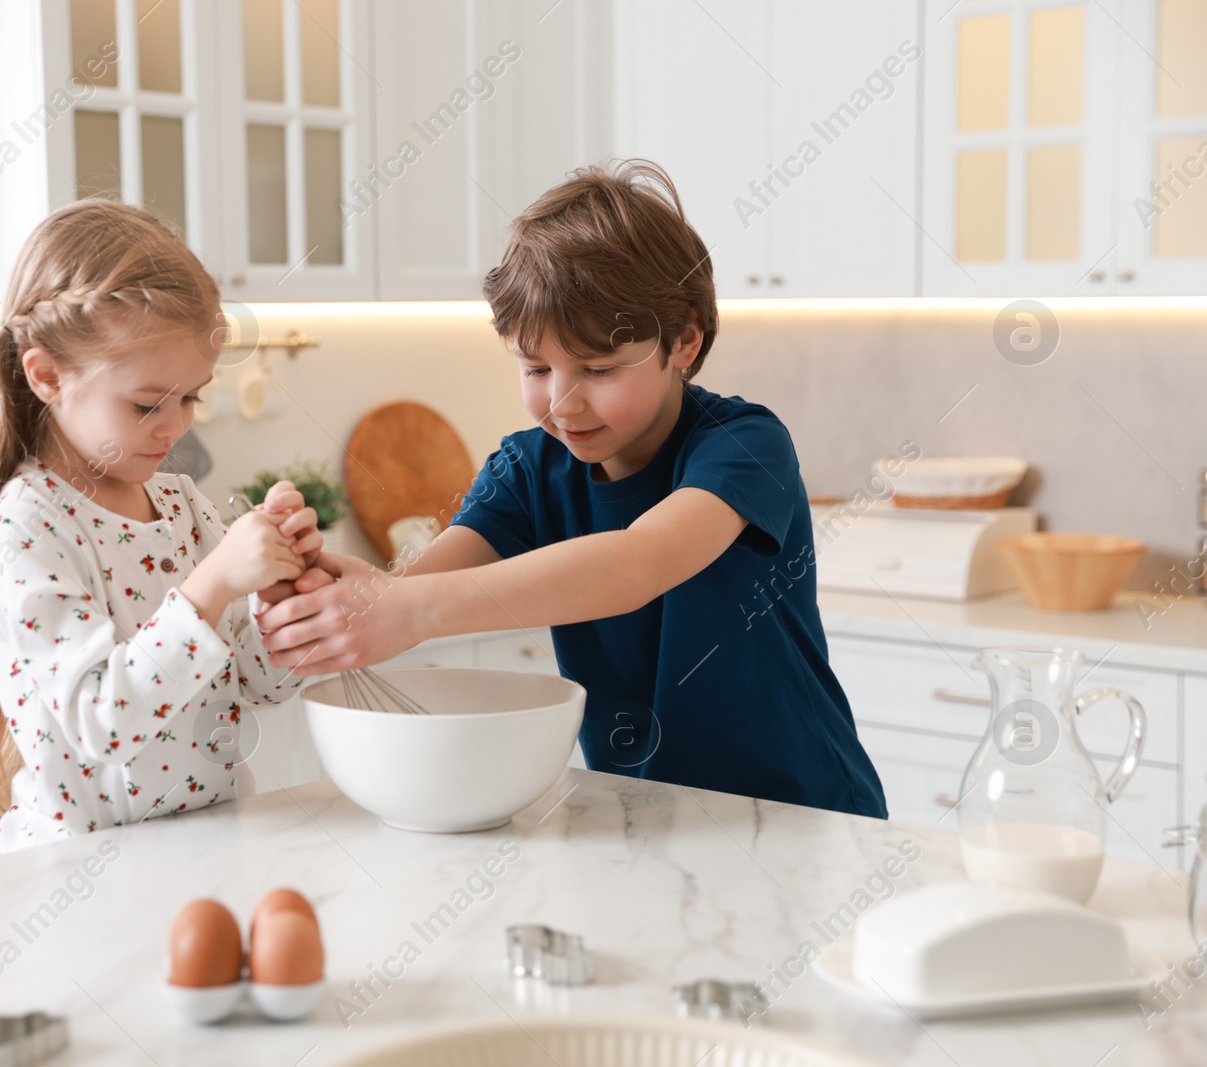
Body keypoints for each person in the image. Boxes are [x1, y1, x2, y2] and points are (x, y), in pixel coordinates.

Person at [256, 161, 887, 819]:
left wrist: (406, 607)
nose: (562, 403)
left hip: (802, 812)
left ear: (686, 341)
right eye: (535, 366)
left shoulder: (744, 445)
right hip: (646, 812)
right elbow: (424, 587)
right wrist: (353, 591)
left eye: (598, 368)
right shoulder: (527, 468)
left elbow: (635, 565)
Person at [0, 200, 323, 852]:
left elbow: (260, 684)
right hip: (78, 882)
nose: (176, 426)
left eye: (192, 396)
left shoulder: (180, 504)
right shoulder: (25, 530)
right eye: (148, 403)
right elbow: (105, 722)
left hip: (204, 852)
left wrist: (278, 594)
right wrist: (214, 583)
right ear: (47, 376)